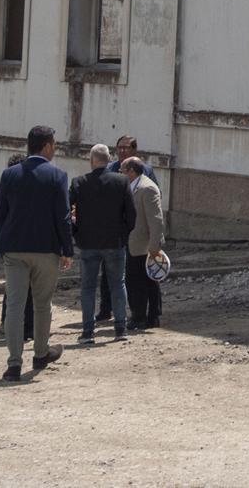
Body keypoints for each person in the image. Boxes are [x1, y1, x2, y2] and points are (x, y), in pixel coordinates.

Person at [0, 124, 74, 381]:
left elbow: (0, 211)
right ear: (48, 146)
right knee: (42, 304)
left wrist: (7, 237)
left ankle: (13, 364)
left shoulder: (10, 175)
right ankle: (40, 353)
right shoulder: (57, 176)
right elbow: (62, 217)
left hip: (14, 249)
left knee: (15, 306)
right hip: (45, 248)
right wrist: (67, 249)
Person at [69, 142, 135, 345]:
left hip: (88, 243)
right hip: (114, 242)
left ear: (91, 161)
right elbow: (131, 214)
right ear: (109, 160)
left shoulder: (79, 182)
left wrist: (76, 234)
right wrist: (123, 235)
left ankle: (88, 331)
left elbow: (67, 211)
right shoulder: (122, 181)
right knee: (117, 284)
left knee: (88, 287)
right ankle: (120, 328)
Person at [95, 135, 152, 323]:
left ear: (134, 150)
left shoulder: (146, 171)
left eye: (126, 148)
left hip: (135, 231)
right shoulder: (111, 169)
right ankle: (106, 309)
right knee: (108, 272)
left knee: (137, 274)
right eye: (119, 148)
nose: (122, 151)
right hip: (113, 229)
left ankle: (143, 313)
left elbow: (153, 200)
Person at [121, 155, 166, 330]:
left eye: (122, 171)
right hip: (135, 244)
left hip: (143, 246)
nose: (121, 174)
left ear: (131, 171)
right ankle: (147, 316)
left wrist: (154, 247)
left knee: (140, 283)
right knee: (144, 282)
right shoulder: (133, 187)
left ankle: (142, 317)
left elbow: (156, 220)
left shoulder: (147, 188)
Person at [0, 152, 36, 343]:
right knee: (24, 292)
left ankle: (7, 323)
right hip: (27, 246)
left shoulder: (8, 182)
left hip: (9, 244)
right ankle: (25, 328)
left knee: (12, 290)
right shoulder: (25, 187)